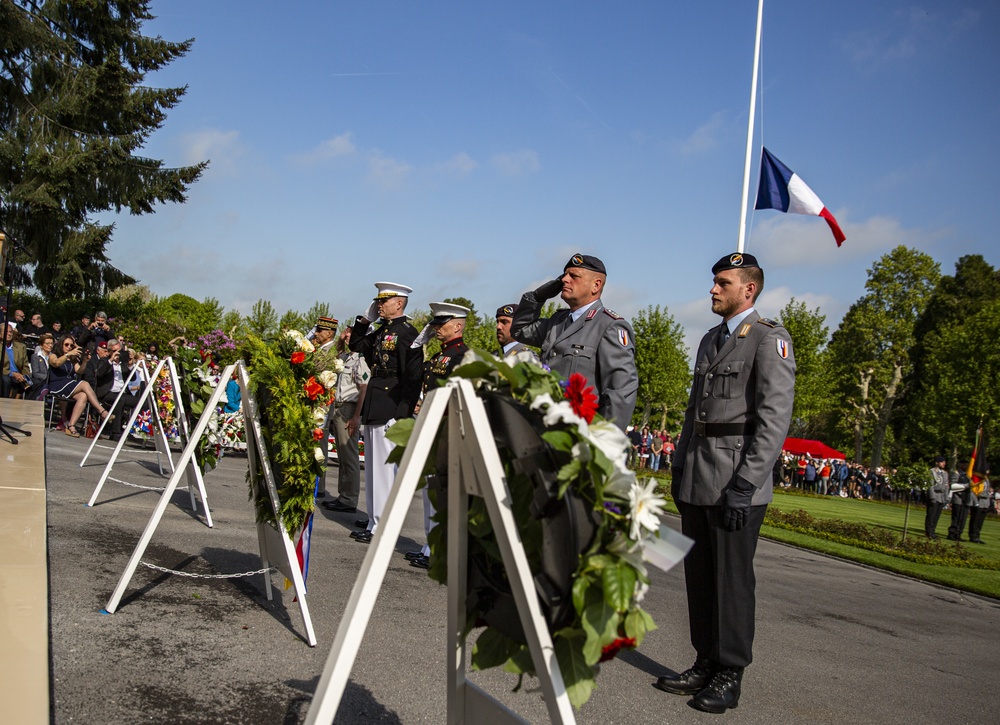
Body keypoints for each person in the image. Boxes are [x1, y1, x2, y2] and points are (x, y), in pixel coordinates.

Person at [656, 252, 795, 714]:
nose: (713, 289)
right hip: (699, 474)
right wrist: (679, 468)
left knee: (732, 582)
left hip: (737, 479)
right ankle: (705, 660)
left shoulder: (767, 339)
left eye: (722, 282)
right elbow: (694, 411)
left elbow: (773, 421)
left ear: (748, 289)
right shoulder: (710, 339)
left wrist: (746, 483)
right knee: (699, 577)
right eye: (713, 281)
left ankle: (730, 672)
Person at [510, 253, 638, 430]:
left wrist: (606, 439)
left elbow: (620, 391)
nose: (564, 279)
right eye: (564, 275)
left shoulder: (609, 326)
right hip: (544, 429)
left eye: (574, 276)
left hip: (579, 435)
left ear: (596, 285)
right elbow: (519, 329)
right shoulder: (557, 321)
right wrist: (537, 297)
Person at [348, 282, 422, 544]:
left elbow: (412, 378)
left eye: (385, 301)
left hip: (390, 405)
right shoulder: (382, 330)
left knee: (383, 469)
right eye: (378, 301)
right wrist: (366, 320)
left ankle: (382, 525)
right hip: (375, 401)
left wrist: (401, 413)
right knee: (373, 468)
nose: (380, 305)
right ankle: (373, 519)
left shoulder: (407, 333)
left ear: (399, 303)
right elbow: (356, 345)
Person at [406, 302, 471, 569]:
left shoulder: (463, 357)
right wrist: (417, 344)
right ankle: (430, 546)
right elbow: (412, 376)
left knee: (443, 493)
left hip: (446, 431)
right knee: (430, 492)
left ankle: (441, 550)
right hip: (431, 429)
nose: (436, 329)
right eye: (434, 324)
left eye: (440, 324)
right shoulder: (438, 357)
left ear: (457, 326)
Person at [322, 326, 371, 514]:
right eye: (348, 333)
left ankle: (349, 499)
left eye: (353, 334)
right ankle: (343, 496)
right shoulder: (347, 357)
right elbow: (334, 356)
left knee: (349, 455)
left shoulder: (361, 358)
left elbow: (364, 388)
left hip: (349, 408)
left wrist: (356, 416)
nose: (349, 336)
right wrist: (341, 340)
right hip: (338, 406)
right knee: (342, 454)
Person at [47, 334, 113, 437]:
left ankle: (71, 425)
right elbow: (56, 363)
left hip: (69, 384)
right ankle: (102, 411)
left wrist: (86, 361)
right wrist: (68, 355)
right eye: (66, 345)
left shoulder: (72, 358)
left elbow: (79, 371)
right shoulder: (54, 355)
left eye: (71, 345)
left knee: (83, 396)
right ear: (61, 345)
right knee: (84, 383)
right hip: (58, 384)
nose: (69, 347)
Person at [308, 317, 339, 500]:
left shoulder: (331, 352)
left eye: (320, 330)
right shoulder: (319, 349)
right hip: (315, 402)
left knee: (320, 444)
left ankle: (318, 485)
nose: (316, 333)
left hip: (323, 405)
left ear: (329, 333)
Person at [2, 323, 31, 398]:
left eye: (10, 332)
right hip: (5, 374)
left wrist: (26, 377)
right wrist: (13, 374)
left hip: (19, 375)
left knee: (32, 383)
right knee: (6, 380)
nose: (9, 334)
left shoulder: (21, 347)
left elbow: (25, 365)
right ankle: (4, 403)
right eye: (6, 332)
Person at [925, 456, 949, 539]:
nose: (944, 464)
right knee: (931, 515)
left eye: (944, 462)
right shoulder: (931, 472)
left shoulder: (944, 473)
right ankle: (929, 532)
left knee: (936, 516)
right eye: (942, 462)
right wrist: (932, 497)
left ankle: (933, 531)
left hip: (941, 497)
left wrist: (946, 498)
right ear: (937, 463)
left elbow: (946, 486)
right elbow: (930, 485)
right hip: (935, 495)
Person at [946, 468, 972, 541]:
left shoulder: (968, 475)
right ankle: (952, 533)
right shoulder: (956, 473)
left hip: (966, 499)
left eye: (967, 464)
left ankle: (958, 533)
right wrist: (965, 486)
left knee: (963, 518)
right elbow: (952, 485)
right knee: (956, 517)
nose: (966, 466)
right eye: (964, 464)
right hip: (958, 498)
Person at [966, 475, 992, 545]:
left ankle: (977, 536)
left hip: (985, 503)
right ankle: (972, 536)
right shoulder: (977, 478)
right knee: (975, 520)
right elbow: (975, 490)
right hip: (978, 502)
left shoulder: (986, 479)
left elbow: (987, 490)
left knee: (980, 521)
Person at [29, 333, 55, 400]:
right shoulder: (35, 357)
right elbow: (36, 373)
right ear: (41, 345)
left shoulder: (54, 357)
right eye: (47, 343)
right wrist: (47, 378)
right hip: (40, 381)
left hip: (52, 381)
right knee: (39, 383)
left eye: (51, 343)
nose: (50, 345)